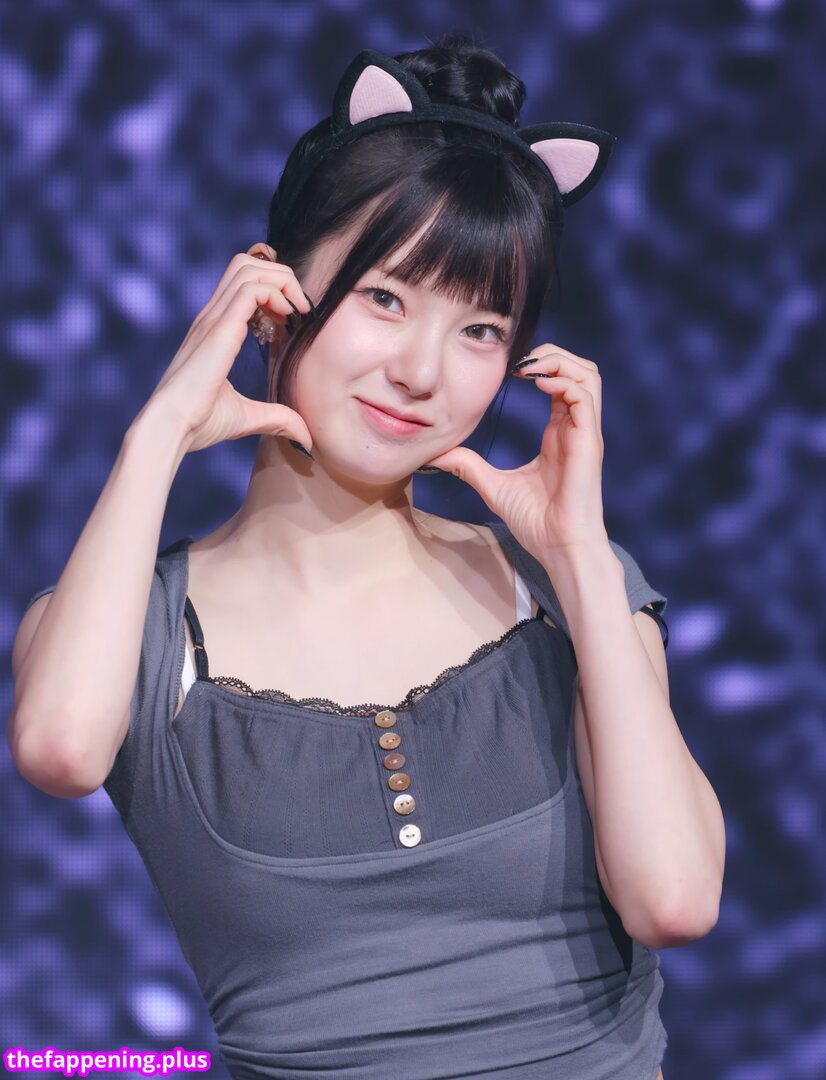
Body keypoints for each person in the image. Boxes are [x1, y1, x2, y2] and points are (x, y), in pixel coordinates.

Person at [10, 33, 723, 1080]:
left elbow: (674, 900)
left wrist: (578, 557)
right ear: (271, 299)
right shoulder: (137, 628)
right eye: (385, 298)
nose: (422, 371)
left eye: (481, 330)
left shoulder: (564, 587)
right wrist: (156, 433)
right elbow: (60, 749)